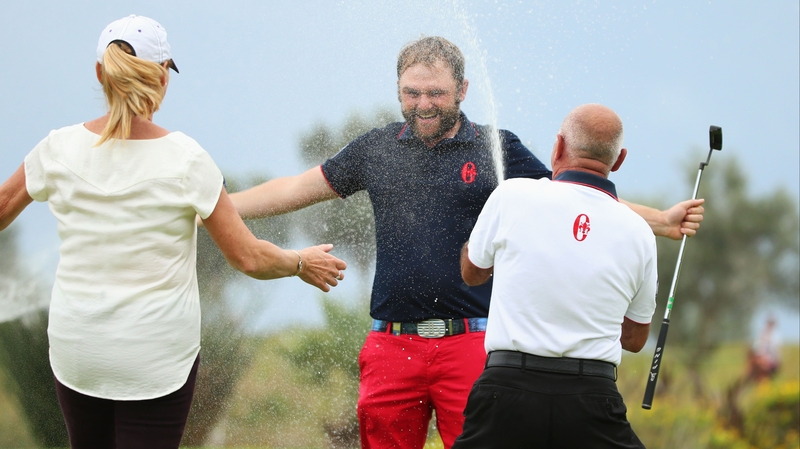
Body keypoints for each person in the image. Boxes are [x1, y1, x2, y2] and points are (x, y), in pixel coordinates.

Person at [229, 37, 704, 449]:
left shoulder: (496, 147)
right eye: (410, 93)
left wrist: (660, 220)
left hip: (472, 345)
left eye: (435, 92)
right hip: (391, 345)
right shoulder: (376, 149)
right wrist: (218, 206)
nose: (423, 104)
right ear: (398, 90)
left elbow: (578, 196)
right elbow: (295, 188)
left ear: (462, 90)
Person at [0, 15, 346, 449]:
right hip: (154, 359)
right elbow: (249, 257)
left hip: (79, 353)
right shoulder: (187, 159)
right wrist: (300, 262)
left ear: (99, 74)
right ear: (163, 77)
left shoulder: (57, 149)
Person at [454, 103, 654, 448]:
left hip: (507, 391)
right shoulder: (639, 232)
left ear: (558, 147)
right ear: (618, 160)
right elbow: (635, 339)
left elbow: (472, 273)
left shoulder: (512, 195)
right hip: (592, 397)